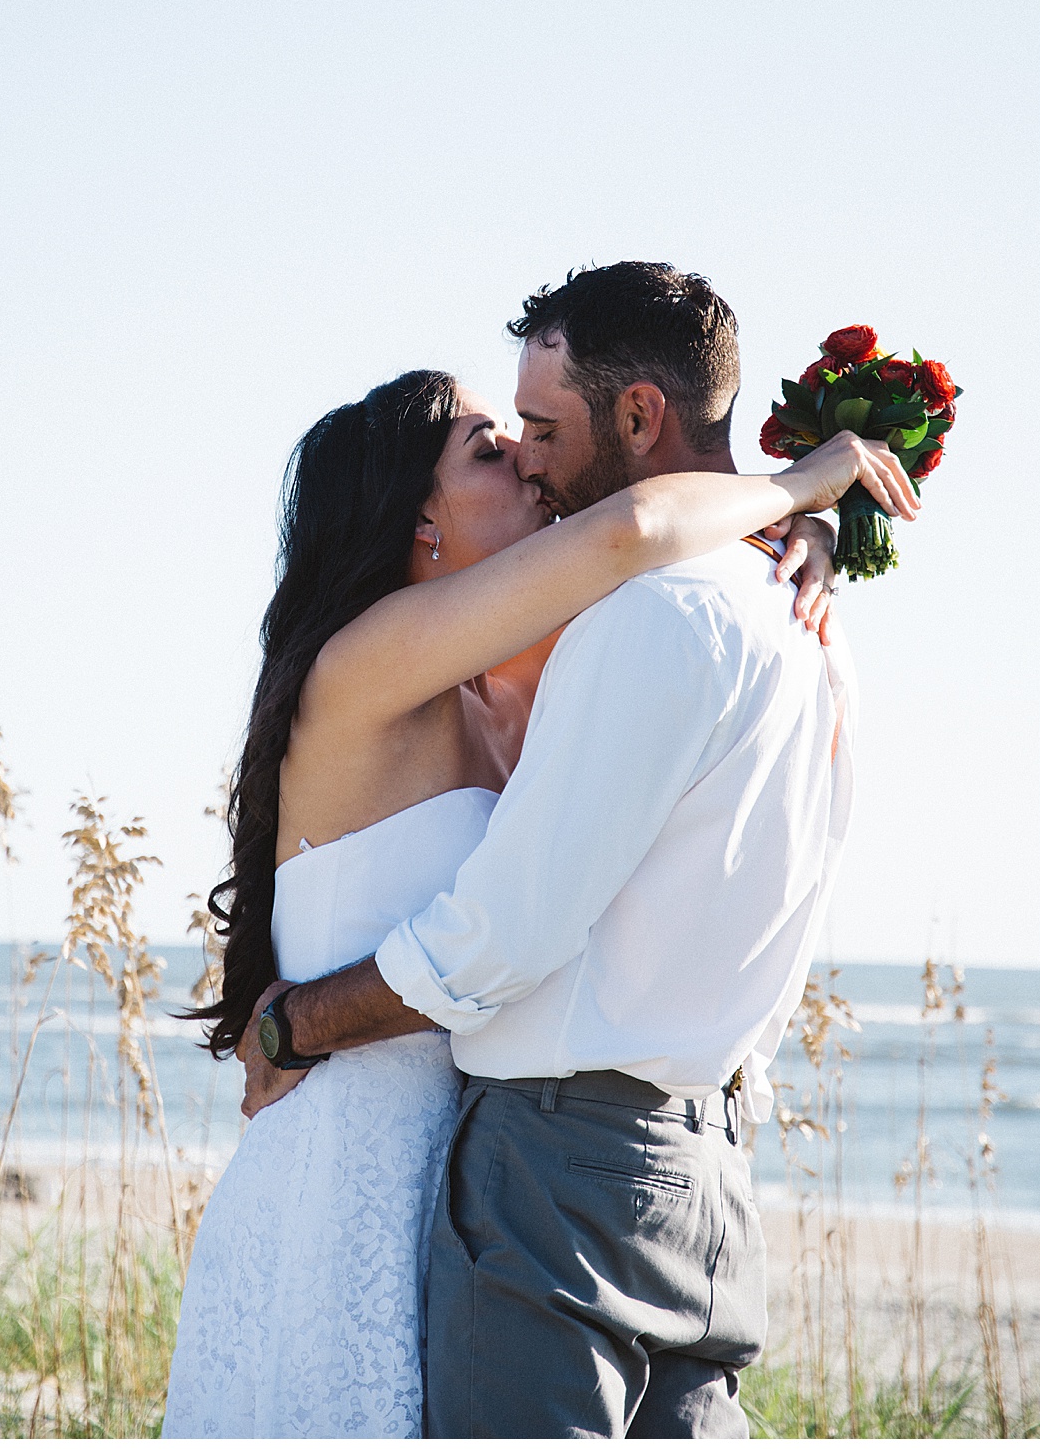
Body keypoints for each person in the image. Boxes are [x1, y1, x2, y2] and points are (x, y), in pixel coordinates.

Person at [162, 273, 914, 1438]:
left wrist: (801, 533)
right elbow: (634, 532)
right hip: (359, 1172)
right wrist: (810, 483)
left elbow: (658, 575)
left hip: (480, 1166)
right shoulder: (361, 667)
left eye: (532, 437)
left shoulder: (512, 684)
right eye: (487, 449)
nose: (525, 460)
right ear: (419, 519)